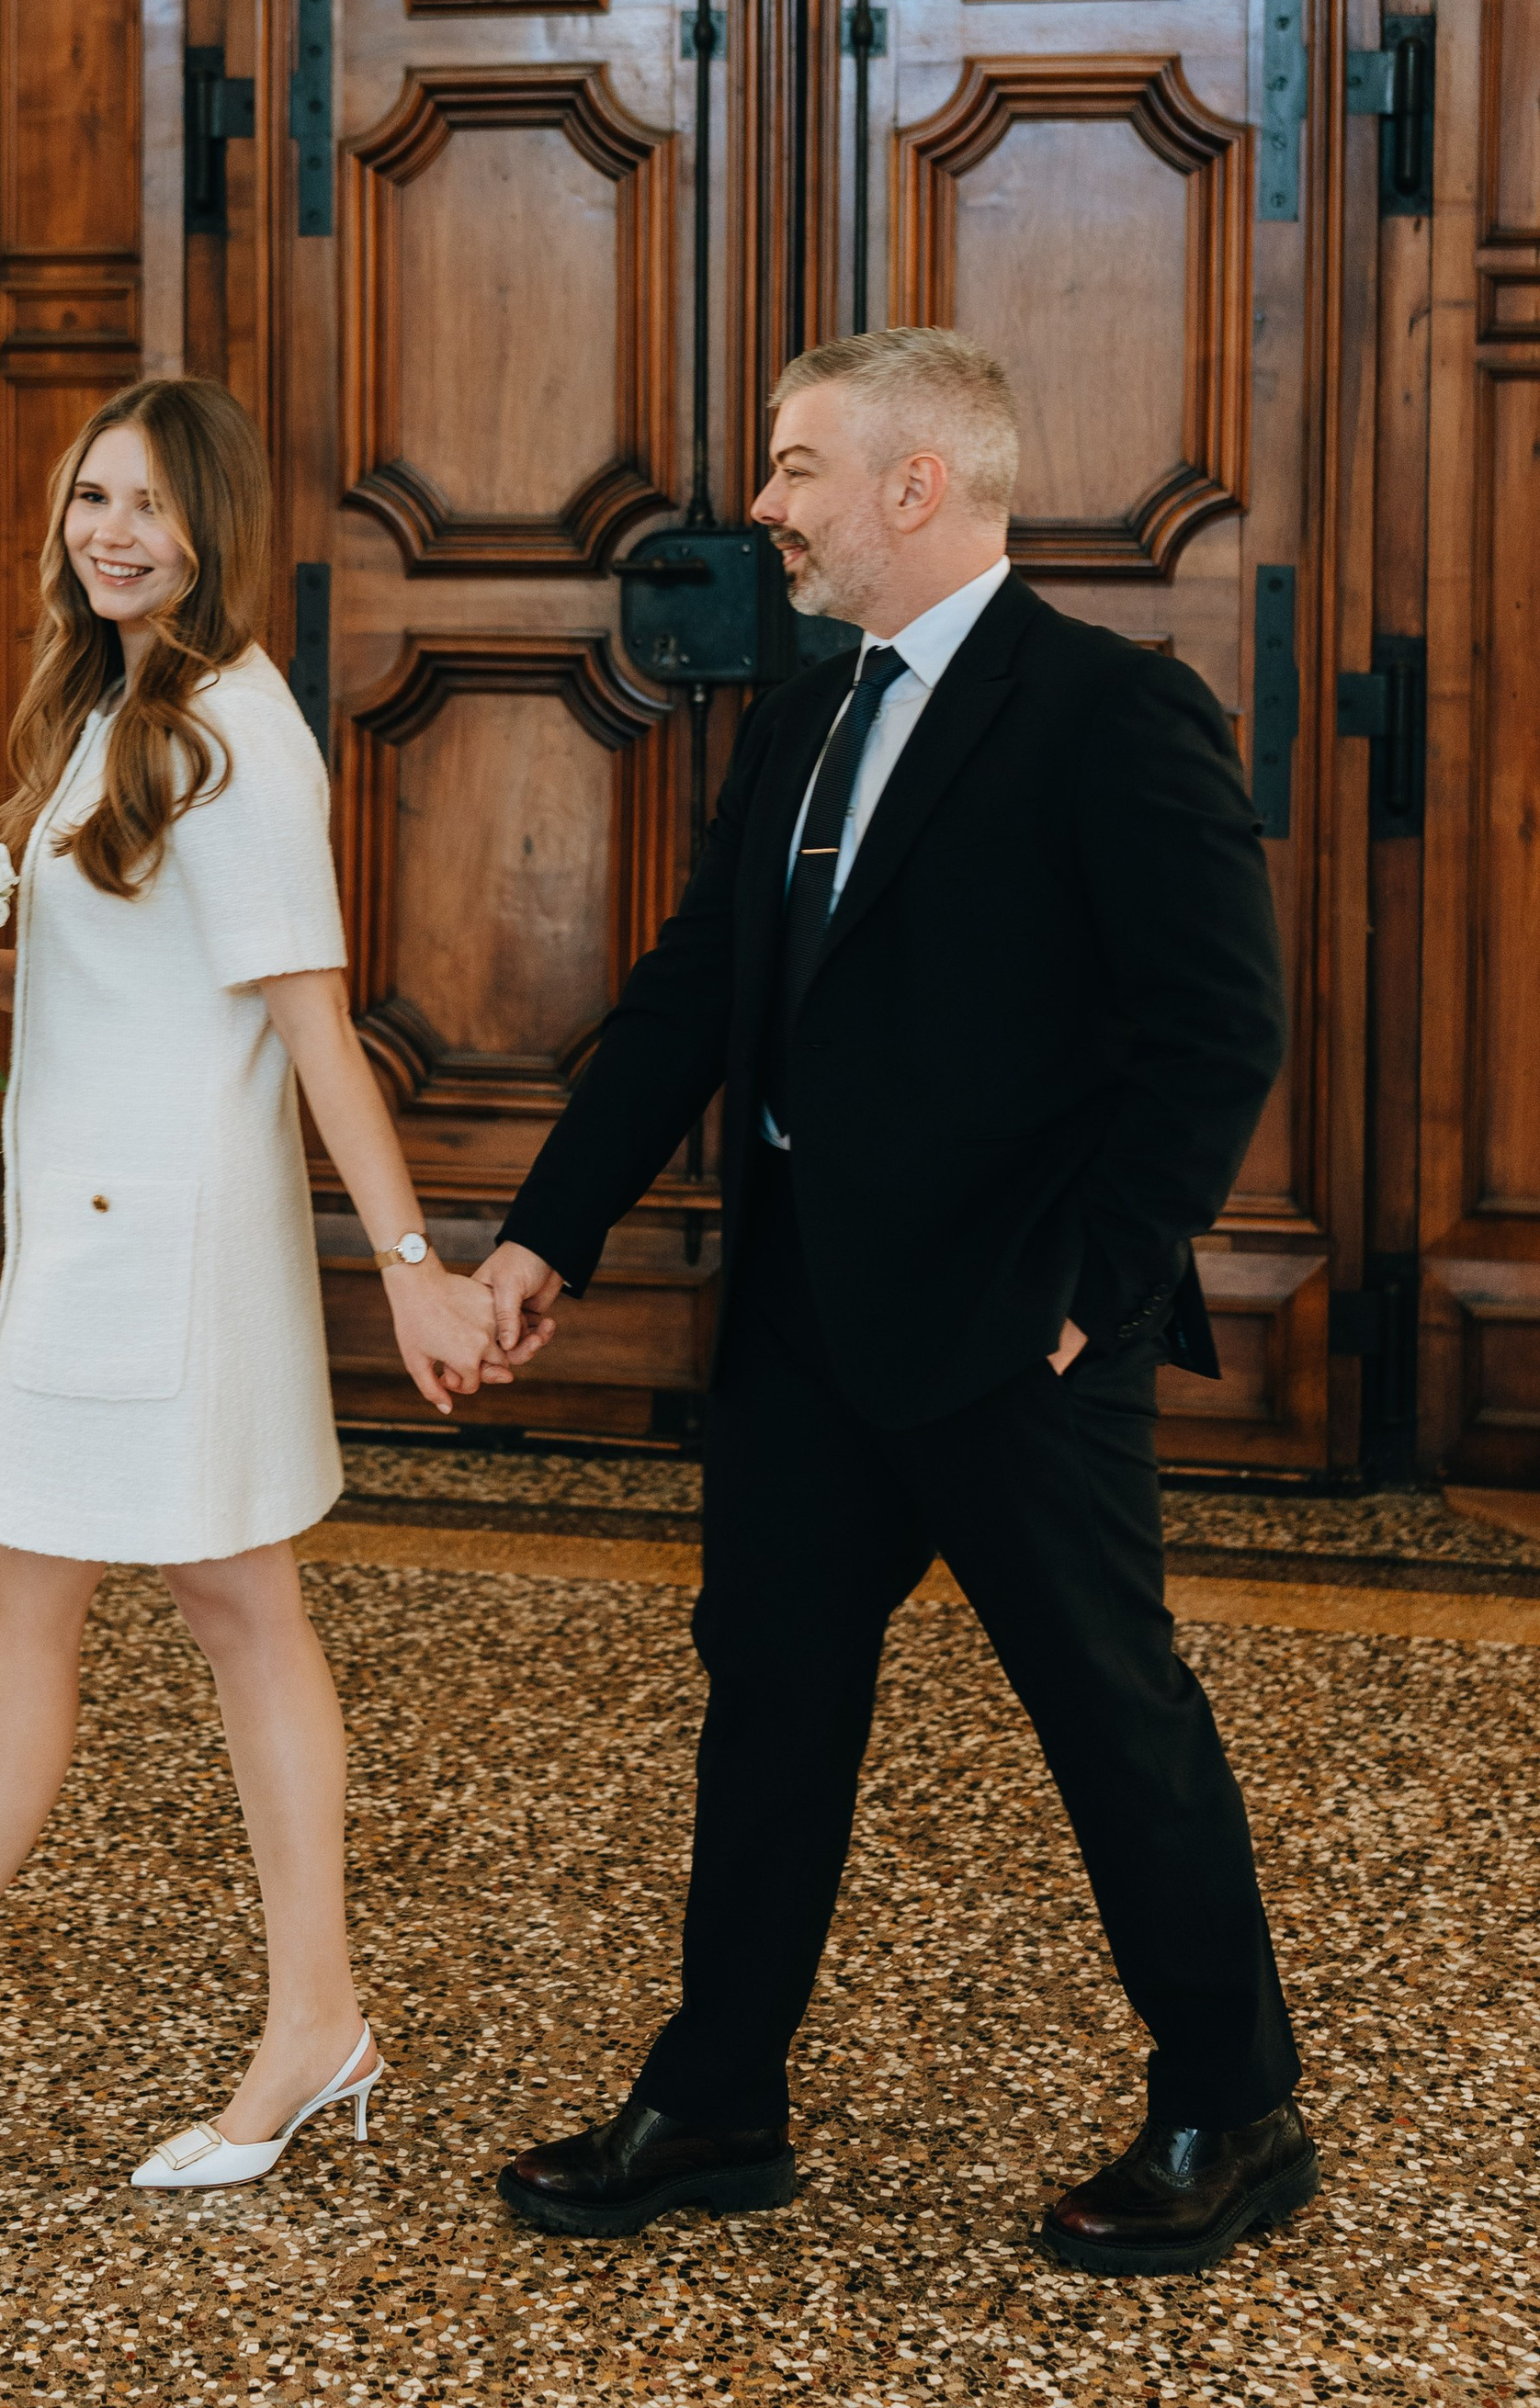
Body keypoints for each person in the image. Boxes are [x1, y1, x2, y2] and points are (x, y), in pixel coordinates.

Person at [477, 326, 1313, 2278]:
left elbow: (1214, 1033)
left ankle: (1229, 2097)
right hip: (794, 1322)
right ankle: (715, 2101)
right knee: (766, 1700)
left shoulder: (1106, 715)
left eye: (791, 471)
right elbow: (695, 995)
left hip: (1008, 1328)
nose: (761, 508)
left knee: (1106, 1708)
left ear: (912, 485)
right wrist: (545, 1233)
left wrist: (1091, 1287)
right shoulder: (795, 716)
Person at [0, 377, 527, 2186]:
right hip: (100, 1232)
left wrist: (406, 1268)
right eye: (89, 498)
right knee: (153, 1615)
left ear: (210, 520)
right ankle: (180, 2009)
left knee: (135, 1619)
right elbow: (139, 999)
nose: (108, 530)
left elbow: (310, 1022)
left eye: (144, 502)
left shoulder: (230, 729)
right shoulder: (114, 711)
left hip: (150, 1254)